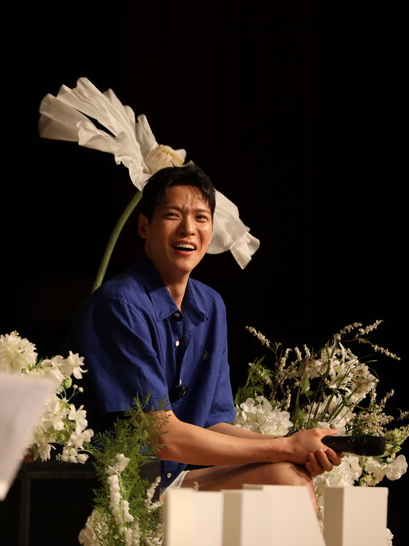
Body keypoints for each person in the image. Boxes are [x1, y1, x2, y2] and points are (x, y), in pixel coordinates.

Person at [62, 163, 341, 510]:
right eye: (173, 215)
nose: (188, 229)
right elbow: (162, 435)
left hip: (168, 483)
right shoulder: (119, 304)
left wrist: (294, 446)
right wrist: (284, 447)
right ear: (144, 226)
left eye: (201, 218)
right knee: (283, 473)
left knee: (286, 475)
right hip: (115, 491)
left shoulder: (211, 305)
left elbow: (214, 424)